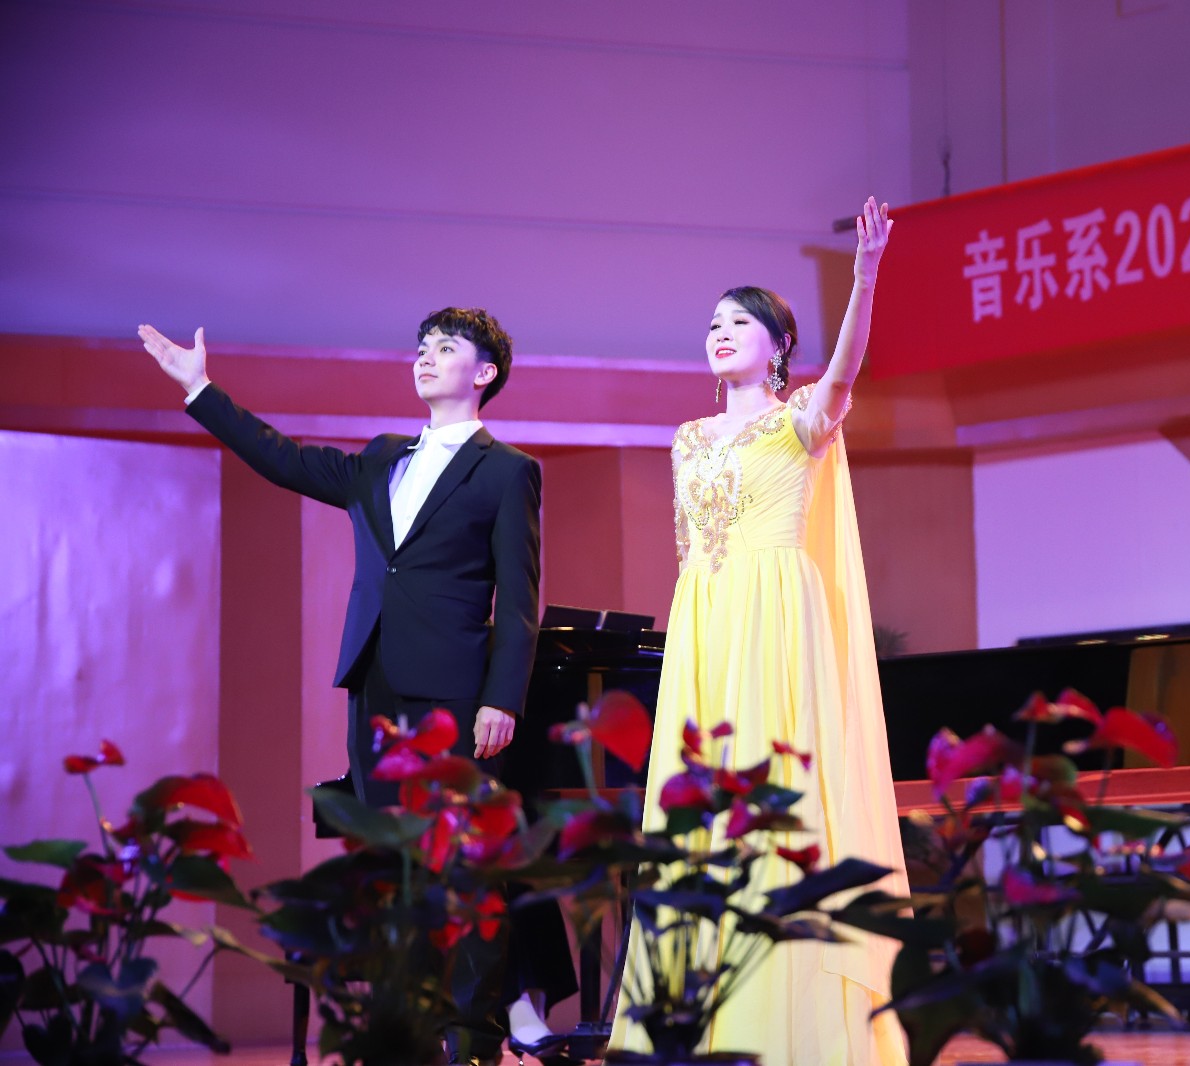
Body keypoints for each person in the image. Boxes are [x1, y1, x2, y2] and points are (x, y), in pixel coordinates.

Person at [137, 308, 576, 1065]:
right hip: (375, 686)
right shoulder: (380, 458)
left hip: (457, 695)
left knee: (466, 870)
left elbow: (519, 599)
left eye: (445, 348)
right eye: (421, 347)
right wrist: (201, 390)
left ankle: (474, 1042)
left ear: (484, 373)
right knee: (391, 869)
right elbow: (283, 459)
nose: (425, 357)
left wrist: (502, 698)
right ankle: (403, 1036)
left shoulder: (508, 471)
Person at [611, 198, 909, 1065]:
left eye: (739, 322)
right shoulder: (687, 437)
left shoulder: (801, 415)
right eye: (712, 323)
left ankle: (793, 1021)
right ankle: (699, 1015)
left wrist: (864, 275)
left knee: (774, 787)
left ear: (778, 346)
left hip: (775, 612)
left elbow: (846, 372)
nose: (720, 332)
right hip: (705, 616)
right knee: (699, 799)